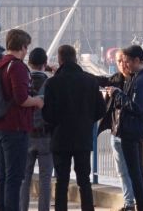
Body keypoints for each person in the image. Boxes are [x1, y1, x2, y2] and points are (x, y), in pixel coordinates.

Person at [42, 45, 106, 211]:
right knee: (84, 180)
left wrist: (56, 124)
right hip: (83, 137)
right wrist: (87, 120)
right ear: (75, 58)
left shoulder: (52, 83)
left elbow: (47, 114)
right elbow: (101, 109)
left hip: (60, 137)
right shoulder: (90, 81)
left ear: (60, 59)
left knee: (61, 181)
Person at [0, 29, 45, 211]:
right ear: (22, 47)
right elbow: (21, 98)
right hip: (15, 127)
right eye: (26, 47)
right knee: (14, 176)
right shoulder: (17, 67)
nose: (27, 51)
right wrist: (37, 101)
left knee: (2, 175)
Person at [111, 44, 143, 211]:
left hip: (132, 132)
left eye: (127, 61)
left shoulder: (141, 81)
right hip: (139, 130)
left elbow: (136, 106)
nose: (125, 65)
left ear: (137, 60)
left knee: (135, 174)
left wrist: (117, 94)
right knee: (140, 173)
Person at [96, 51, 135, 211]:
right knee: (121, 171)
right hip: (116, 131)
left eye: (123, 60)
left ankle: (139, 202)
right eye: (118, 61)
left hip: (130, 133)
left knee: (135, 170)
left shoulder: (136, 81)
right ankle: (129, 202)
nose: (121, 64)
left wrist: (118, 94)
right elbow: (99, 80)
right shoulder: (116, 79)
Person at [20, 47, 53, 211]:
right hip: (46, 136)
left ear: (29, 62)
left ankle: (22, 208)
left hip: (26, 134)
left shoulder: (23, 81)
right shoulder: (51, 84)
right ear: (45, 64)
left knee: (24, 177)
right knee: (45, 179)